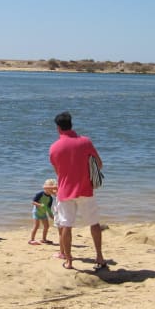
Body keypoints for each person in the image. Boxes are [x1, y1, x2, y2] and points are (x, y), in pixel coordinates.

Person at [49, 111, 106, 271]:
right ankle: (100, 257)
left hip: (65, 190)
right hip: (85, 188)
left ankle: (69, 260)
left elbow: (58, 172)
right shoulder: (85, 142)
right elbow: (99, 164)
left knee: (66, 225)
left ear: (58, 128)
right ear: (71, 125)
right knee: (94, 223)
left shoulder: (54, 148)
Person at [29, 179, 57, 245]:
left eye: (53, 190)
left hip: (43, 213)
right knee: (36, 226)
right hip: (36, 212)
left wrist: (53, 217)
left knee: (47, 226)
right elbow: (33, 202)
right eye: (50, 189)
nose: (52, 191)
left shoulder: (50, 198)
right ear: (46, 187)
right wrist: (39, 205)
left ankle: (44, 239)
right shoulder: (40, 194)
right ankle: (31, 240)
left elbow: (48, 209)